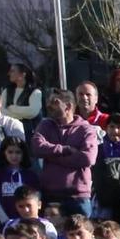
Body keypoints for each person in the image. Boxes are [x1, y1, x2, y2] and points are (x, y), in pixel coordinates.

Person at [31, 90, 99, 218]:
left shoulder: (86, 129)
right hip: (51, 195)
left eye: (55, 102)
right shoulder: (45, 125)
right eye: (49, 102)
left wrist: (51, 156)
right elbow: (36, 148)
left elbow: (88, 159)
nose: (49, 105)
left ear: (68, 106)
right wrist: (66, 150)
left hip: (78, 197)